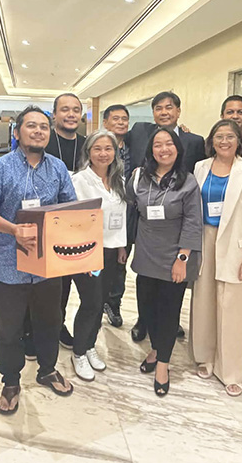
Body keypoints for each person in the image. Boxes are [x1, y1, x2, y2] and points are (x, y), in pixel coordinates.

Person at [0, 105, 75, 416]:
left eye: (44, 127)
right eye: (31, 126)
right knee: (9, 328)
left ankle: (47, 369)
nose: (39, 131)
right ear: (17, 132)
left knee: (49, 322)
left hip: (47, 265)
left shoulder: (57, 168)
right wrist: (13, 229)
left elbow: (70, 208)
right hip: (9, 264)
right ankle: (10, 380)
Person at [190, 120, 242, 397]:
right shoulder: (200, 167)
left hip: (236, 244)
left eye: (230, 136)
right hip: (204, 240)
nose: (224, 141)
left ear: (238, 141)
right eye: (219, 136)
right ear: (212, 140)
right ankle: (205, 358)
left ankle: (231, 371)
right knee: (204, 301)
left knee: (232, 309)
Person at [128, 128, 202, 396]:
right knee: (147, 309)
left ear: (178, 148)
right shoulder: (139, 177)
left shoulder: (189, 181)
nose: (163, 149)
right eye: (157, 145)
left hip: (175, 255)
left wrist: (182, 258)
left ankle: (163, 364)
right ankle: (157, 348)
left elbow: (193, 222)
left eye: (169, 143)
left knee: (169, 313)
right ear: (151, 150)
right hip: (146, 253)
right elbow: (128, 208)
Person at [125, 91, 204, 341]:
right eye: (158, 108)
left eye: (169, 107)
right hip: (146, 218)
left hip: (177, 213)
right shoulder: (140, 132)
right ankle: (143, 319)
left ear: (178, 111)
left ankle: (170, 322)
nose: (164, 112)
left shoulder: (194, 141)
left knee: (173, 281)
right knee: (145, 278)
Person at [70, 130, 127, 381]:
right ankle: (79, 351)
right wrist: (84, 254)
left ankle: (90, 344)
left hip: (112, 250)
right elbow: (75, 221)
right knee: (90, 302)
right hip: (88, 251)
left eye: (108, 148)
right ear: (89, 153)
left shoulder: (119, 180)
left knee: (101, 300)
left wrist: (122, 247)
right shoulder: (80, 180)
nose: (103, 153)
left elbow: (121, 218)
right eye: (98, 149)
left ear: (115, 152)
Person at [44, 93, 86, 350]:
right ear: (54, 114)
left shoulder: (87, 144)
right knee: (40, 284)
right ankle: (32, 331)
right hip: (47, 222)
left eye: (75, 110)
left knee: (64, 283)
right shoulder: (44, 142)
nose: (70, 114)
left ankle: (57, 326)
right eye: (65, 110)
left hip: (77, 224)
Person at [101, 105, 131, 327]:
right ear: (105, 123)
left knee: (121, 260)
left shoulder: (137, 141)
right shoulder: (99, 146)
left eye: (124, 119)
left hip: (129, 213)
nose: (121, 122)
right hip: (102, 215)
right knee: (101, 261)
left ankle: (114, 303)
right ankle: (97, 300)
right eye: (116, 119)